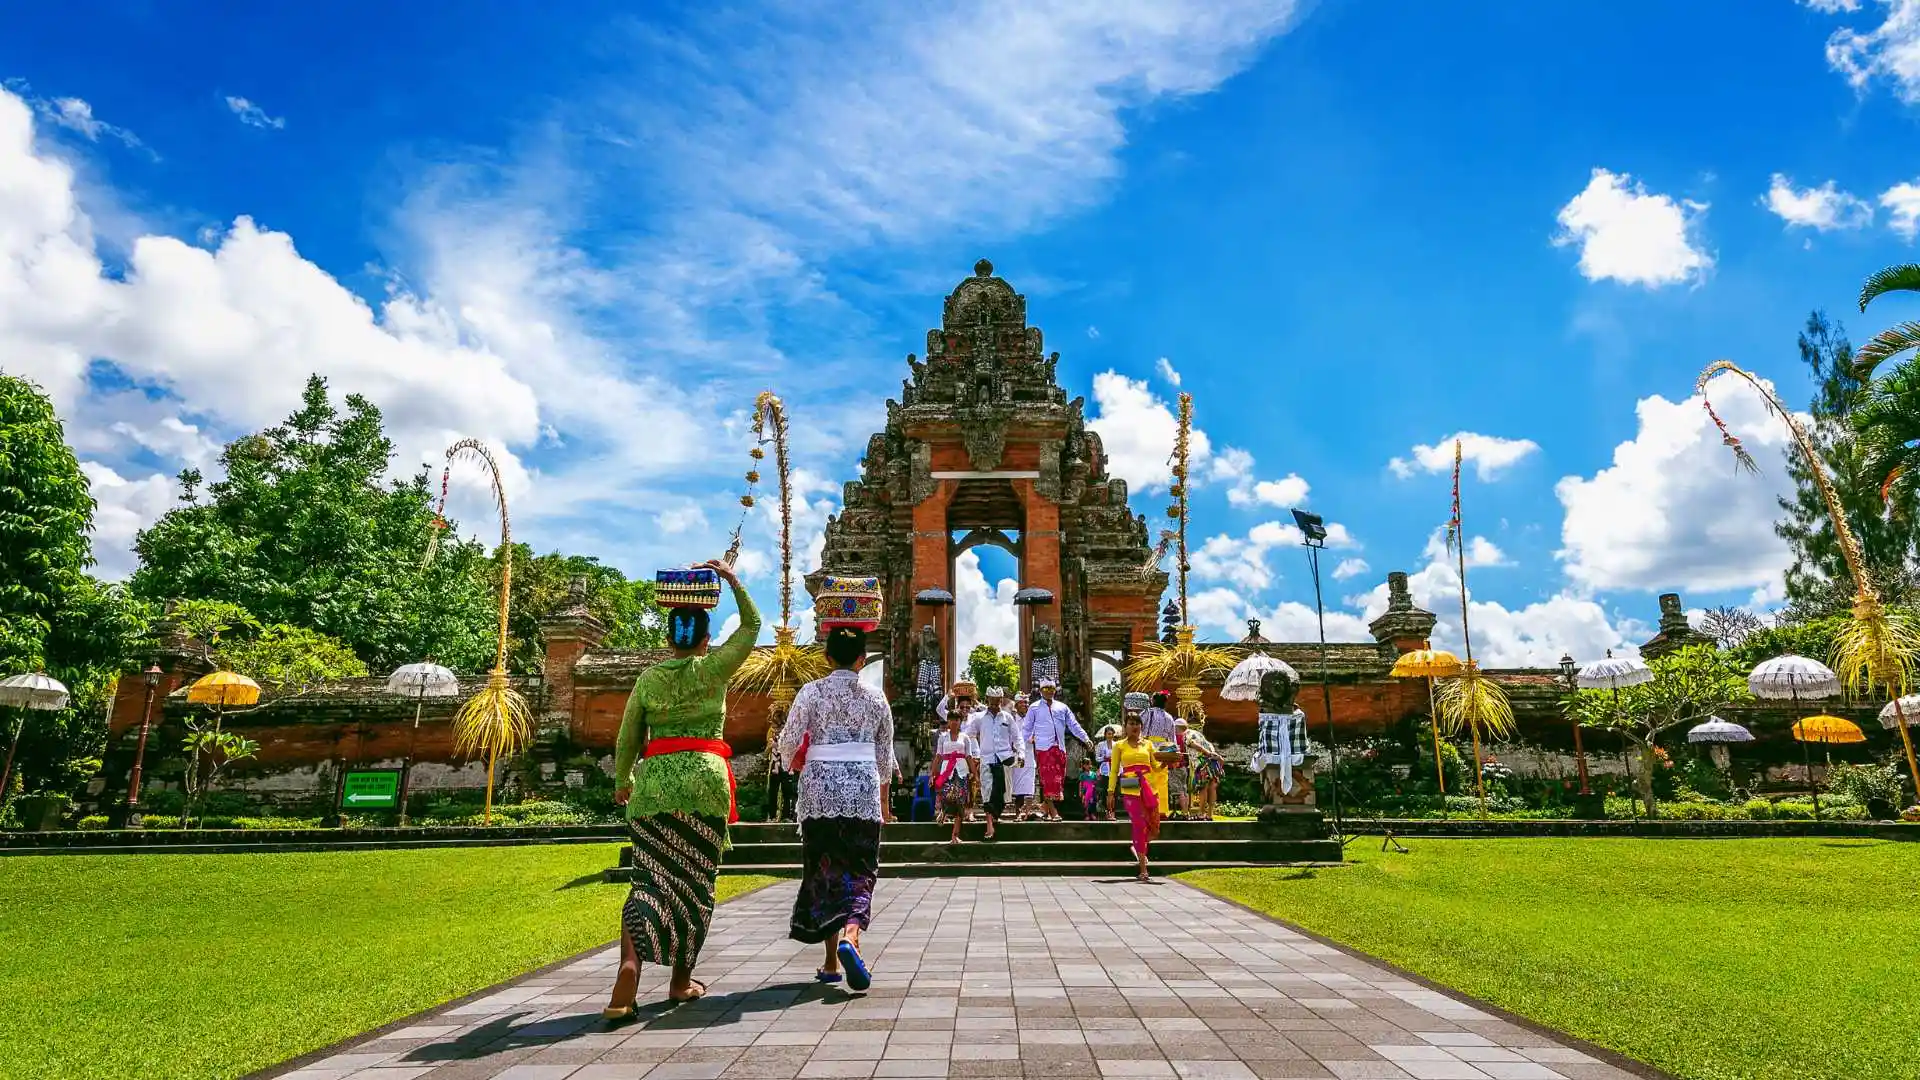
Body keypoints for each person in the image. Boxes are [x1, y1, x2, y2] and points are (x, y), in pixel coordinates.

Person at [604, 559, 758, 1018]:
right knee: (694, 885)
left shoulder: (649, 678)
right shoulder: (714, 670)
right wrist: (731, 579)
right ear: (706, 637)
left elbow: (628, 735)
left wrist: (621, 781)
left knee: (647, 880)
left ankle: (629, 966)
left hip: (652, 789)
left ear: (669, 637)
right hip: (705, 786)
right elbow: (751, 625)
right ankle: (679, 980)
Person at [777, 610, 894, 992]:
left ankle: (831, 962)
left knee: (826, 870)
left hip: (819, 791)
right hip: (862, 790)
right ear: (863, 659)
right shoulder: (877, 699)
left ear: (827, 657)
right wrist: (885, 803)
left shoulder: (811, 692)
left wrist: (796, 762)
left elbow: (788, 740)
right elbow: (884, 757)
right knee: (861, 870)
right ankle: (851, 936)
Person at [1105, 707, 1183, 882]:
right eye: (1131, 724)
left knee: (1154, 828)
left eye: (1138, 724)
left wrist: (1168, 761)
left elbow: (1155, 767)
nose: (1135, 727)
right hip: (1129, 783)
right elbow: (1114, 770)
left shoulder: (1148, 744)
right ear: (1125, 727)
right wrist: (1110, 792)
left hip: (1149, 785)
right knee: (1139, 825)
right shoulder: (1119, 746)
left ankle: (1137, 846)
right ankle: (1143, 868)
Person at [1023, 679, 1093, 821]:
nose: (1049, 691)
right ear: (1041, 691)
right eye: (1046, 688)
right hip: (1044, 748)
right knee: (1048, 780)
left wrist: (1086, 738)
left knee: (1058, 780)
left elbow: (1073, 725)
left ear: (1055, 690)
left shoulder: (1062, 707)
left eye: (1051, 688)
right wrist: (1024, 744)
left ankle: (1045, 807)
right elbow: (1026, 727)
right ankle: (1054, 812)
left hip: (1060, 748)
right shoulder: (1034, 707)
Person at [964, 683, 1025, 839]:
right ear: (987, 699)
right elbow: (967, 735)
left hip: (1005, 759)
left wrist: (1021, 753)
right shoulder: (979, 718)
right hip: (987, 759)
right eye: (992, 700)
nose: (994, 703)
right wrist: (972, 752)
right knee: (987, 792)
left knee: (1003, 793)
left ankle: (995, 817)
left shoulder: (1007, 717)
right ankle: (989, 825)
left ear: (1001, 700)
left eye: (997, 700)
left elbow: (1017, 737)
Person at [933, 706, 979, 844]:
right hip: (947, 770)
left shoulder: (965, 738)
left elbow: (969, 757)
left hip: (961, 770)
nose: (954, 722)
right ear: (948, 721)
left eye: (957, 720)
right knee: (947, 795)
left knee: (960, 802)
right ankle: (944, 811)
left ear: (960, 721)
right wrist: (933, 773)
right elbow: (938, 756)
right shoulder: (942, 737)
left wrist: (975, 774)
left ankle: (955, 835)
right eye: (952, 719)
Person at [1185, 719, 1227, 820]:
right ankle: (1210, 814)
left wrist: (1206, 753)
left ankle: (1201, 813)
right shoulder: (1202, 737)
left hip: (1202, 763)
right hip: (1213, 763)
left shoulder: (1188, 733)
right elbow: (1216, 755)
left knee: (1203, 788)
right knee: (1212, 788)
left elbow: (1192, 743)